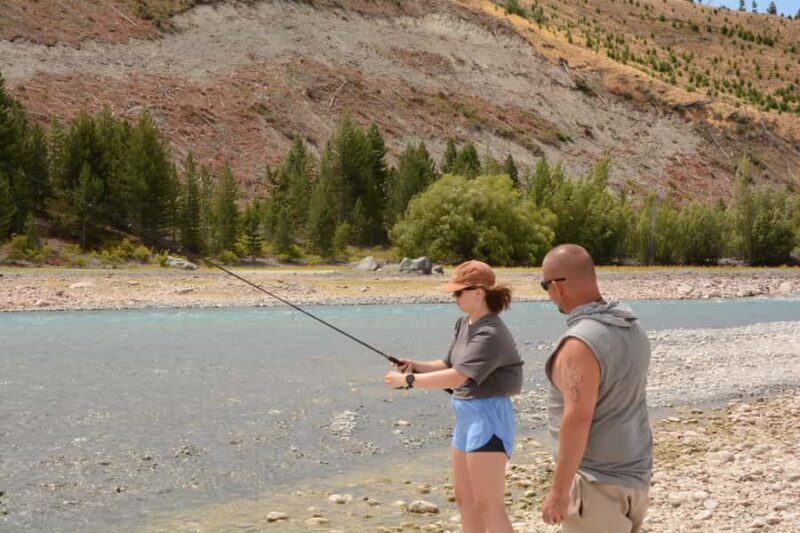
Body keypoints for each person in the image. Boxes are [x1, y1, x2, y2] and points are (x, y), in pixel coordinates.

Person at [383, 260, 523, 533]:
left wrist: (408, 381)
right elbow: (447, 363)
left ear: (479, 292)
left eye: (459, 292)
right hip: (466, 416)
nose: (453, 296)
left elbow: (458, 376)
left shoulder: (490, 332)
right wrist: (414, 365)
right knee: (465, 499)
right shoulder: (464, 323)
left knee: (489, 505)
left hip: (489, 418)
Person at [539, 244, 653, 532]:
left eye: (544, 287)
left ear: (556, 287)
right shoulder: (630, 325)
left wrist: (559, 491)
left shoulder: (579, 343)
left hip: (596, 482)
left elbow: (578, 419)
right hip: (635, 478)